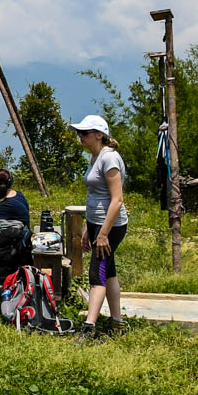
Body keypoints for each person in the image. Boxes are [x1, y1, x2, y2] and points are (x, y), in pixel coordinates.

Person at [71, 114, 129, 340]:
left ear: (99, 135)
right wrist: (89, 228)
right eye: (79, 133)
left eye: (84, 133)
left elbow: (117, 200)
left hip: (111, 226)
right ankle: (117, 323)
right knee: (109, 272)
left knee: (97, 274)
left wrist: (103, 233)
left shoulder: (109, 159)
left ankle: (89, 327)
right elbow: (94, 195)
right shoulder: (95, 158)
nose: (80, 137)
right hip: (97, 224)